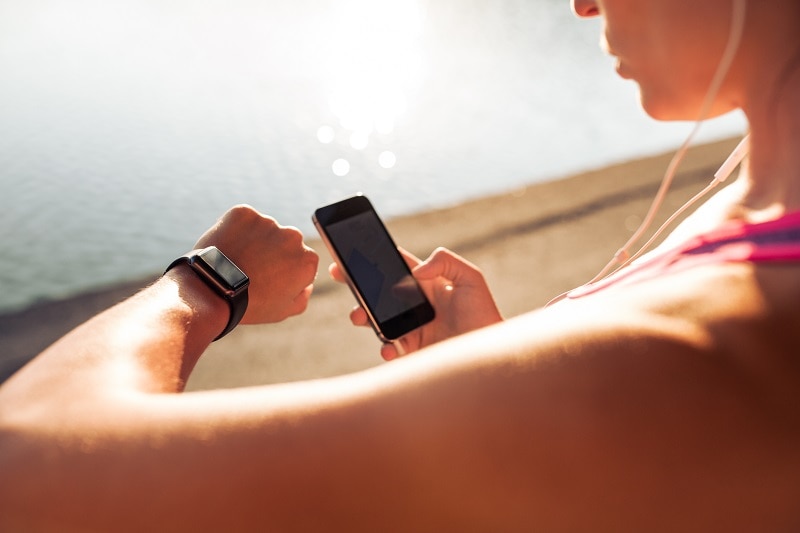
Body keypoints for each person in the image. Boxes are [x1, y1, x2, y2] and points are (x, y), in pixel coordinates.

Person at [2, 0, 799, 530]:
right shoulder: (752, 185)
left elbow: (29, 461)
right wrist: (492, 376)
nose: (582, 2)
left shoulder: (734, 329)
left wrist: (205, 284)